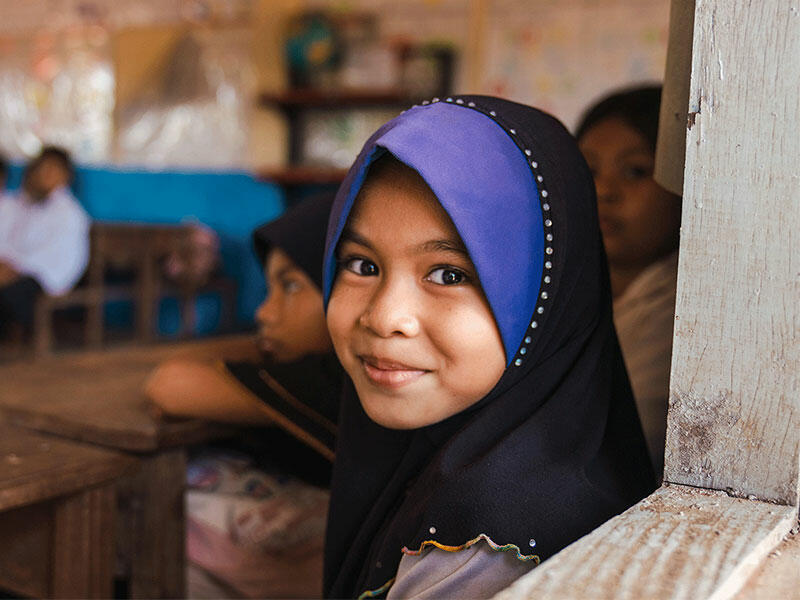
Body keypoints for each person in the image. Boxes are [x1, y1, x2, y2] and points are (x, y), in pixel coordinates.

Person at [321, 96, 655, 599]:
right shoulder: (444, 458)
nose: (385, 317)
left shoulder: (483, 554)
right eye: (362, 265)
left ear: (542, 295)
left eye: (448, 275)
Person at [145, 194, 342, 598]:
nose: (263, 313)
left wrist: (257, 347)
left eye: (290, 286)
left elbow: (169, 385)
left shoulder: (332, 379)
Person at [576, 86, 681, 476]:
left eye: (635, 171)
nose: (604, 191)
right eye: (588, 170)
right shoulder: (565, 291)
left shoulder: (679, 316)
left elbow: (613, 454)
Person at [0, 146, 89, 340]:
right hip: (10, 271)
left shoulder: (69, 214)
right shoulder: (19, 204)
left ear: (65, 177)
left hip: (40, 280)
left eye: (51, 170)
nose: (43, 176)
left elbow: (59, 260)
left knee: (10, 295)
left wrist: (16, 269)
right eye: (40, 169)